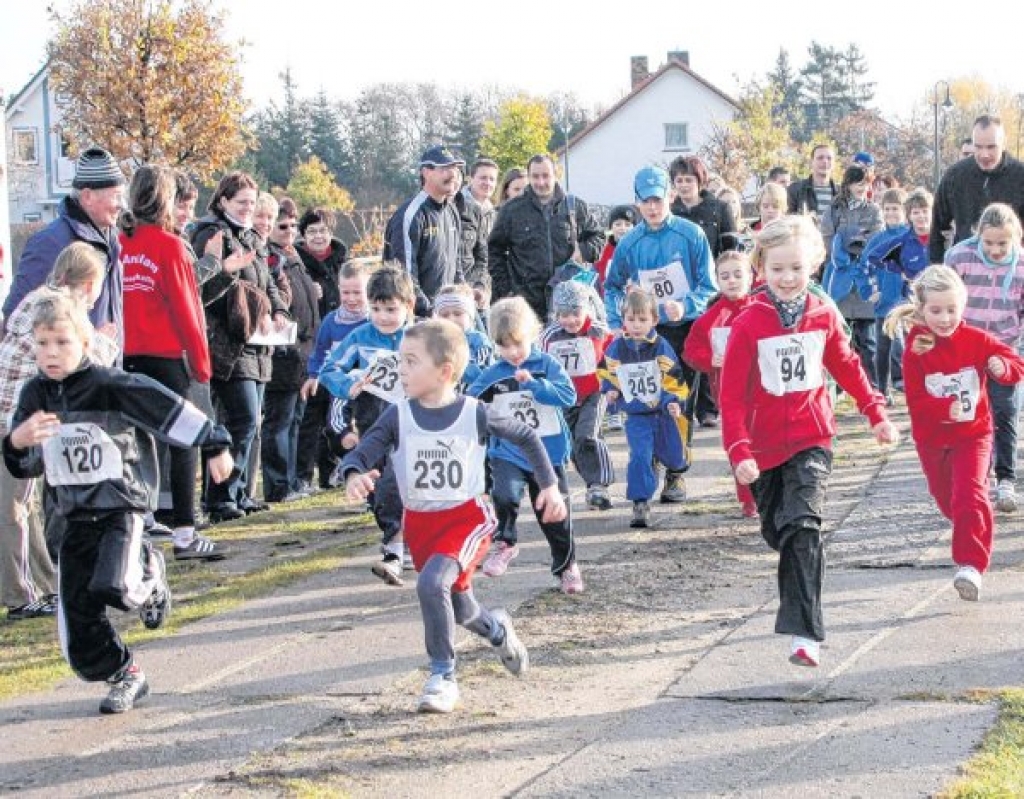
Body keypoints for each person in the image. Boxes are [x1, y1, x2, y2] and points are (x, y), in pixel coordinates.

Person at [3, 291, 234, 713]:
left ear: (85, 343)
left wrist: (215, 443)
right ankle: (126, 673)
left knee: (117, 585)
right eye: (42, 344)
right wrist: (17, 443)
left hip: (120, 508)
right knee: (76, 626)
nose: (50, 353)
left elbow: (169, 410)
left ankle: (149, 574)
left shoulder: (111, 384)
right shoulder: (35, 395)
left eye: (61, 342)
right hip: (71, 517)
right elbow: (26, 463)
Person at [341, 319, 566, 713]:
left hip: (466, 518)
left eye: (410, 362)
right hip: (421, 524)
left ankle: (442, 675)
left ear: (444, 371)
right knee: (459, 607)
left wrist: (549, 486)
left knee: (430, 585)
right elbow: (364, 450)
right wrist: (355, 474)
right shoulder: (398, 415)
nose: (401, 371)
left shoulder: (474, 413)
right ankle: (497, 630)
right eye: (400, 361)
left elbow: (528, 436)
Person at [719, 216, 898, 668]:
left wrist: (874, 412)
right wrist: (738, 450)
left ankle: (804, 634)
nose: (787, 278)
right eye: (777, 269)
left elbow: (847, 364)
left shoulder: (822, 315)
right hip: (762, 449)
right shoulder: (749, 323)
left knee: (805, 525)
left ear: (814, 266)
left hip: (811, 435)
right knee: (778, 530)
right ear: (761, 268)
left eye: (796, 268)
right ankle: (799, 574)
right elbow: (732, 397)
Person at [886, 265, 1024, 601]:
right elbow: (915, 399)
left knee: (969, 495)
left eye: (951, 310)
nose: (945, 318)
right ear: (921, 309)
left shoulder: (976, 340)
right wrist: (941, 409)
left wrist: (1001, 367)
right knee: (949, 500)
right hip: (932, 439)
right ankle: (973, 520)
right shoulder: (916, 348)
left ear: (962, 307)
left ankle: (970, 566)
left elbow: (1015, 365)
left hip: (973, 435)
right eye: (936, 311)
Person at [0, 245, 119, 621]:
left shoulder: (35, 299)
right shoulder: (58, 309)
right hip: (14, 420)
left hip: (19, 416)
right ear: (87, 284)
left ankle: (45, 585)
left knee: (25, 508)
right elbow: (93, 360)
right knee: (11, 510)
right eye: (98, 288)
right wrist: (106, 340)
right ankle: (20, 595)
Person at [119, 165, 225, 561]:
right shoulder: (171, 246)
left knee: (135, 443)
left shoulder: (121, 242)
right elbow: (188, 310)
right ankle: (184, 532)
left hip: (126, 356)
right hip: (167, 357)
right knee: (184, 440)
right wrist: (201, 366)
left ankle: (140, 523)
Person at [604, 165, 715, 495]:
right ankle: (651, 460)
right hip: (643, 334)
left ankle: (677, 471)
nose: (653, 207)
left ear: (669, 196)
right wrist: (616, 321)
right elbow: (610, 287)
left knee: (679, 402)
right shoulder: (629, 243)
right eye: (646, 201)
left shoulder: (691, 234)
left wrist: (687, 305)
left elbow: (708, 286)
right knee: (646, 399)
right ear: (637, 202)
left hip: (683, 330)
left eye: (658, 199)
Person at [190, 172, 290, 524]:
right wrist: (254, 308)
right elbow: (207, 292)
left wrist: (277, 309)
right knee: (240, 418)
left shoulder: (252, 238)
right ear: (223, 202)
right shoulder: (213, 235)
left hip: (258, 344)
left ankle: (240, 491)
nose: (249, 209)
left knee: (251, 422)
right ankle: (219, 497)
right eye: (241, 203)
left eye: (252, 202)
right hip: (228, 345)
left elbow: (269, 282)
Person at [467, 297, 582, 594]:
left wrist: (535, 385)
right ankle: (505, 542)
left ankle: (566, 566)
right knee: (503, 494)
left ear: (532, 334)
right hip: (508, 452)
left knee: (555, 514)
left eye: (518, 343)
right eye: (504, 346)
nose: (513, 352)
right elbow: (470, 401)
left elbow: (568, 396)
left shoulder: (546, 365)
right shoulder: (494, 373)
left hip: (548, 452)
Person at [320, 265, 414, 585]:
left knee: (403, 486)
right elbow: (328, 370)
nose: (384, 316)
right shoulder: (359, 338)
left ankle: (396, 549)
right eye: (376, 309)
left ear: (408, 306)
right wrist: (351, 382)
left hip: (414, 427)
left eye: (391, 309)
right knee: (381, 490)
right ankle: (394, 539)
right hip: (374, 426)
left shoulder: (418, 336)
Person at [3, 147, 125, 351]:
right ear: (87, 197)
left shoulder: (112, 240)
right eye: (116, 196)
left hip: (100, 369)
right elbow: (16, 319)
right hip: (69, 375)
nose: (122, 205)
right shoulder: (51, 243)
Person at [944, 203, 1024, 513]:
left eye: (1002, 243)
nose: (995, 250)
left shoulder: (1019, 266)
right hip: (966, 346)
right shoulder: (960, 257)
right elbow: (945, 298)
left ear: (1014, 238)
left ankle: (1006, 478)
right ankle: (975, 477)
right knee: (968, 414)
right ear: (978, 237)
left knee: (1005, 410)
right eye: (988, 243)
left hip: (1005, 346)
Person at [601, 290, 691, 528]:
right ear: (623, 320)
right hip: (637, 415)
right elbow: (606, 372)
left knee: (673, 455)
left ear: (654, 320)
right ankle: (640, 502)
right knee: (639, 455)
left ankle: (675, 473)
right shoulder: (617, 348)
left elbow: (675, 377)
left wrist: (673, 400)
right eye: (631, 319)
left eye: (642, 320)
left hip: (662, 413)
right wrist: (611, 389)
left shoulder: (662, 346)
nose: (636, 325)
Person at [683, 250, 757, 517]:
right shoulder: (712, 317)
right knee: (738, 442)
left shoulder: (762, 310)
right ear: (717, 280)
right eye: (725, 276)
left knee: (763, 442)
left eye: (738, 274)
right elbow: (691, 350)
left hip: (763, 391)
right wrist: (710, 359)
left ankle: (768, 492)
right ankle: (748, 499)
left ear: (751, 276)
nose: (732, 281)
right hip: (728, 392)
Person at [488, 154, 606, 322]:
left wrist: (583, 252)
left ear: (555, 175)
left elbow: (598, 236)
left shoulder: (574, 206)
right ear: (528, 177)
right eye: (535, 176)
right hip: (526, 305)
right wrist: (508, 290)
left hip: (568, 304)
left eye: (546, 176)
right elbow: (494, 250)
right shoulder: (511, 210)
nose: (541, 182)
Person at [261, 198, 320, 504]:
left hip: (303, 349)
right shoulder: (271, 259)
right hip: (284, 350)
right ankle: (278, 484)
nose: (289, 230)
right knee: (279, 420)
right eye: (282, 226)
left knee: (296, 418)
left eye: (293, 226)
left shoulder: (294, 256)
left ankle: (293, 479)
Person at [539, 281, 615, 510]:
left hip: (594, 392)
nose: (570, 320)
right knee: (572, 443)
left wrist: (612, 385)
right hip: (565, 397)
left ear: (586, 309)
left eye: (575, 313)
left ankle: (598, 484)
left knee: (587, 434)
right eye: (563, 314)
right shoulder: (550, 336)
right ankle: (591, 483)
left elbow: (613, 358)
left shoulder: (600, 331)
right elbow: (539, 363)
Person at [856, 188, 932, 404]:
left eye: (895, 209)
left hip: (911, 300)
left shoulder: (919, 238)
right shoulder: (881, 239)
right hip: (885, 300)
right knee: (884, 344)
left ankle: (917, 385)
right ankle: (882, 389)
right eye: (887, 209)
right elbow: (865, 264)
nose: (891, 213)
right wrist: (870, 291)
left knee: (914, 343)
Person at [301, 259, 369, 490]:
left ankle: (364, 467)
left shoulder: (373, 320)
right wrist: (313, 375)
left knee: (368, 425)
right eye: (346, 292)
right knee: (336, 427)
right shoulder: (332, 321)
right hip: (341, 385)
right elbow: (320, 351)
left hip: (370, 386)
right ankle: (345, 463)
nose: (351, 299)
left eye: (357, 292)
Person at [930, 115, 1024, 262]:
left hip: (1011, 271)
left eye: (991, 147)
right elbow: (937, 229)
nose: (984, 154)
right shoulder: (955, 176)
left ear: (1003, 144)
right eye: (978, 147)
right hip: (965, 268)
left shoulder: (1020, 176)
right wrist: (938, 271)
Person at [821, 165, 884, 386]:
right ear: (848, 184)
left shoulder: (873, 210)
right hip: (839, 277)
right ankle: (840, 384)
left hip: (866, 277)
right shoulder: (834, 210)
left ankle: (872, 384)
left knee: (868, 339)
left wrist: (851, 243)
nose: (862, 187)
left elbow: (876, 239)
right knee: (839, 337)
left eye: (865, 183)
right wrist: (846, 248)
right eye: (858, 183)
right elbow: (828, 239)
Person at [384, 145, 464, 317]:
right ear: (426, 172)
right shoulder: (411, 215)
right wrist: (428, 311)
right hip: (420, 320)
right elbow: (403, 274)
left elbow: (457, 267)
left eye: (454, 168)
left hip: (447, 317)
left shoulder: (452, 211)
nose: (452, 174)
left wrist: (463, 299)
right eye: (445, 168)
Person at [669, 155, 738, 258]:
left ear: (699, 181)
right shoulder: (669, 211)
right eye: (679, 181)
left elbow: (731, 249)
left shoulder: (720, 209)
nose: (684, 185)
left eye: (688, 180)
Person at [432, 284, 493, 390]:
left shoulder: (479, 341)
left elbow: (481, 375)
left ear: (470, 316)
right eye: (445, 315)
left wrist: (450, 361)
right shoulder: (433, 341)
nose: (451, 319)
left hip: (474, 398)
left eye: (457, 313)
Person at [460, 158, 499, 287]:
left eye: (492, 179)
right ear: (471, 179)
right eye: (483, 177)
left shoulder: (494, 213)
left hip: (485, 286)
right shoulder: (457, 207)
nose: (488, 183)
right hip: (462, 284)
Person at [787, 144, 837, 218]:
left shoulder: (842, 193)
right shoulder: (795, 190)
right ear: (811, 162)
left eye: (829, 158)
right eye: (820, 158)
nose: (825, 161)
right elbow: (788, 220)